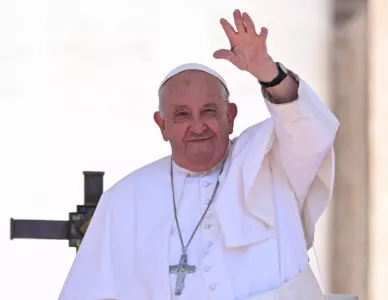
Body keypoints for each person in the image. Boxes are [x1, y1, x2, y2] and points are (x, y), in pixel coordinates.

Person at [59, 9, 340, 300]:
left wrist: (268, 71)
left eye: (209, 111)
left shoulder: (272, 161)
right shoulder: (125, 199)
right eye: (182, 115)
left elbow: (312, 131)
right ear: (162, 125)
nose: (197, 126)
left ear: (230, 116)